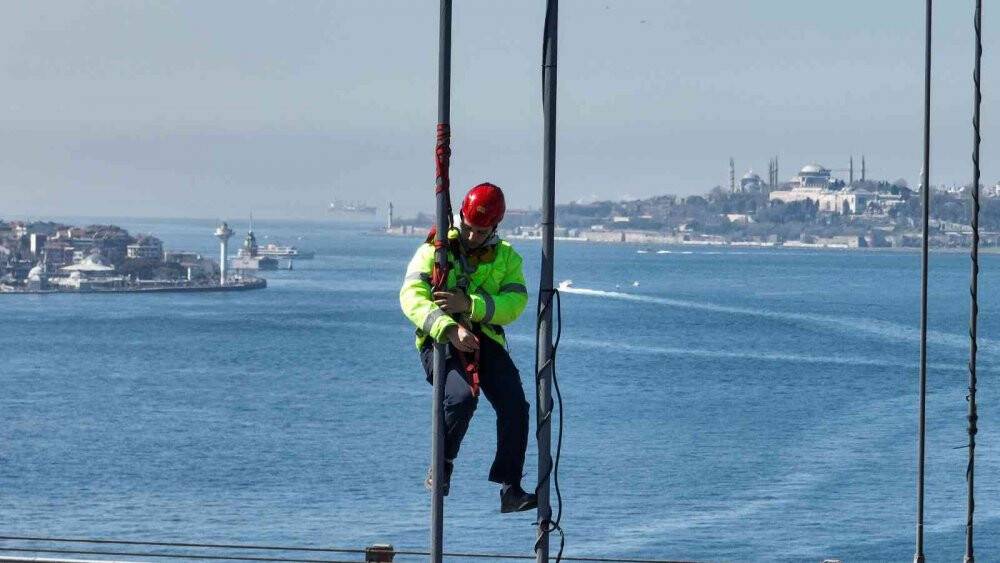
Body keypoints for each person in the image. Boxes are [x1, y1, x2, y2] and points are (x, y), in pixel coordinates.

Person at [399, 182, 537, 513]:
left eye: (482, 231)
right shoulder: (435, 249)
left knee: (516, 406)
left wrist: (470, 304)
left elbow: (515, 303)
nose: (474, 237)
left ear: (496, 226)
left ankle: (510, 488)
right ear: (462, 215)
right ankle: (442, 463)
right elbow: (410, 296)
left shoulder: (506, 256)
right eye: (471, 229)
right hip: (440, 339)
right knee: (462, 397)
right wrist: (447, 328)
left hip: (484, 339)